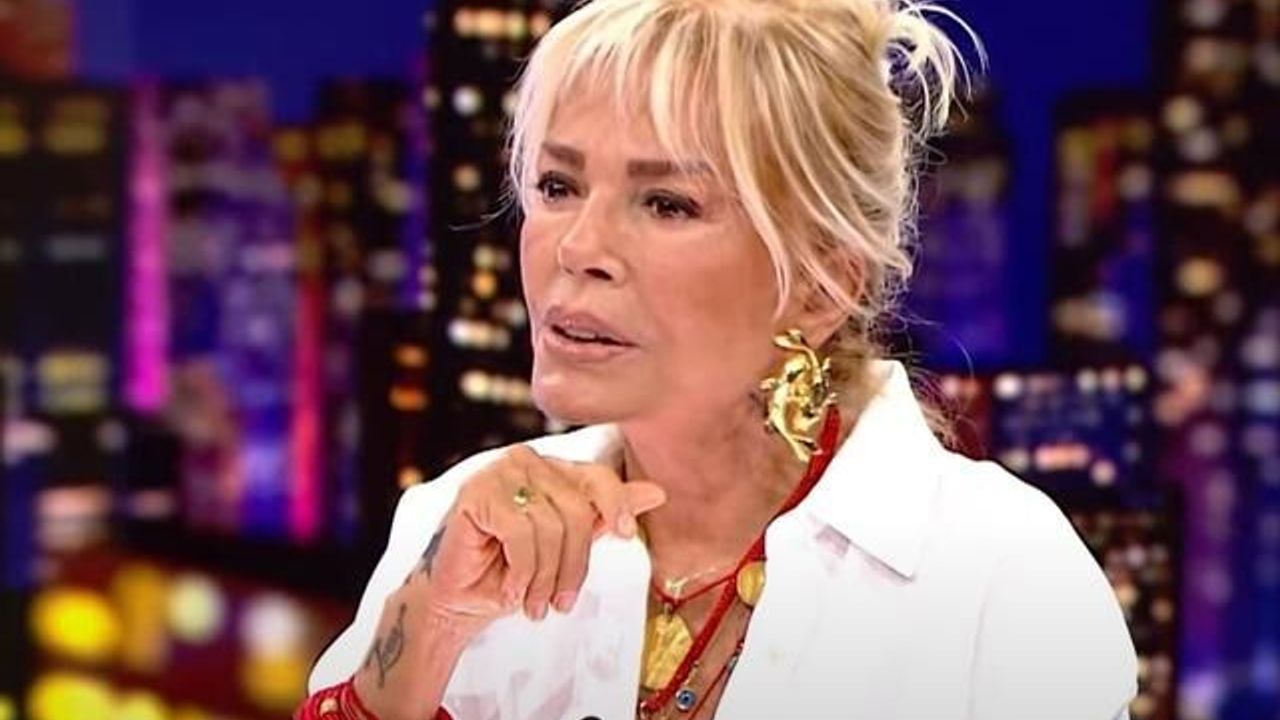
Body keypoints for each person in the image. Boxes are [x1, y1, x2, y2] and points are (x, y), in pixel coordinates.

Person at [295, 0, 1139, 718]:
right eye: (557, 186)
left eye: (667, 203)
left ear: (821, 284)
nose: (577, 248)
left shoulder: (1002, 575)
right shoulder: (454, 523)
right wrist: (434, 620)